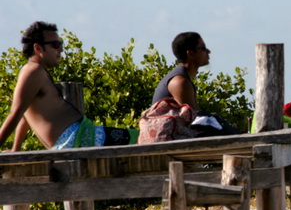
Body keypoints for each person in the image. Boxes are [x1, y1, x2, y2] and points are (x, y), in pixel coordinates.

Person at [0, 21, 138, 151]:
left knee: (141, 138)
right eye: (55, 44)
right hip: (78, 139)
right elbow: (15, 113)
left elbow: (25, 114)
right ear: (38, 48)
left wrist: (15, 148)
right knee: (142, 138)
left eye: (60, 44)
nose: (60, 50)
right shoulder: (34, 72)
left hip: (78, 137)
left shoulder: (33, 72)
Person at [151, 31, 239, 136]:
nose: (208, 51)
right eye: (203, 48)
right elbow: (194, 119)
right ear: (190, 53)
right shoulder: (179, 82)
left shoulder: (183, 78)